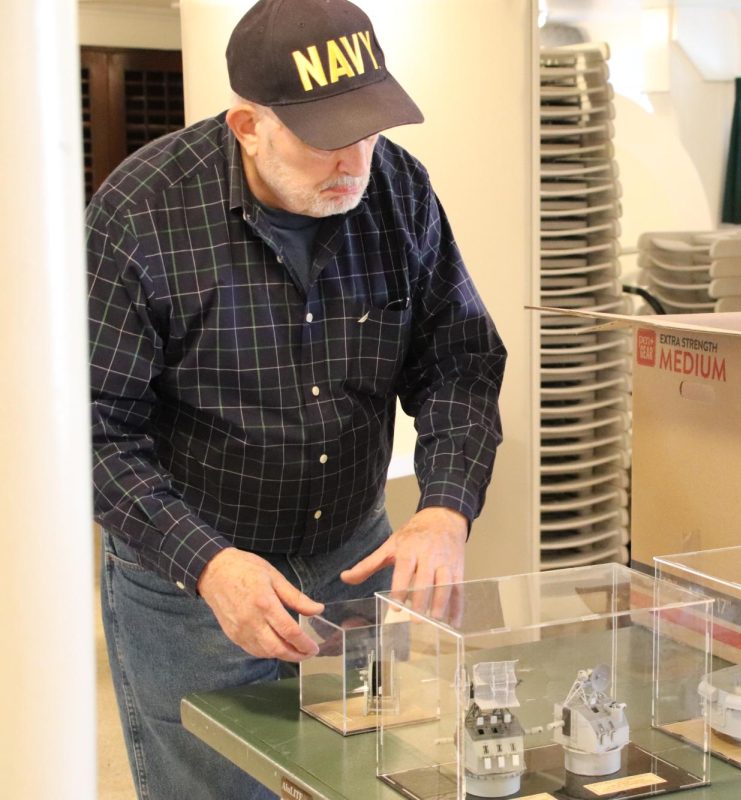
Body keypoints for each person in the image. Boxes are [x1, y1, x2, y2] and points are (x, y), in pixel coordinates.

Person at [86, 0, 506, 797]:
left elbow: (459, 362)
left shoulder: (399, 193)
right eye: (324, 139)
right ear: (248, 125)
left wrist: (445, 511)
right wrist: (208, 566)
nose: (354, 161)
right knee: (213, 783)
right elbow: (94, 431)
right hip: (193, 578)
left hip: (354, 556)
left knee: (368, 777)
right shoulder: (139, 214)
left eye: (370, 128)